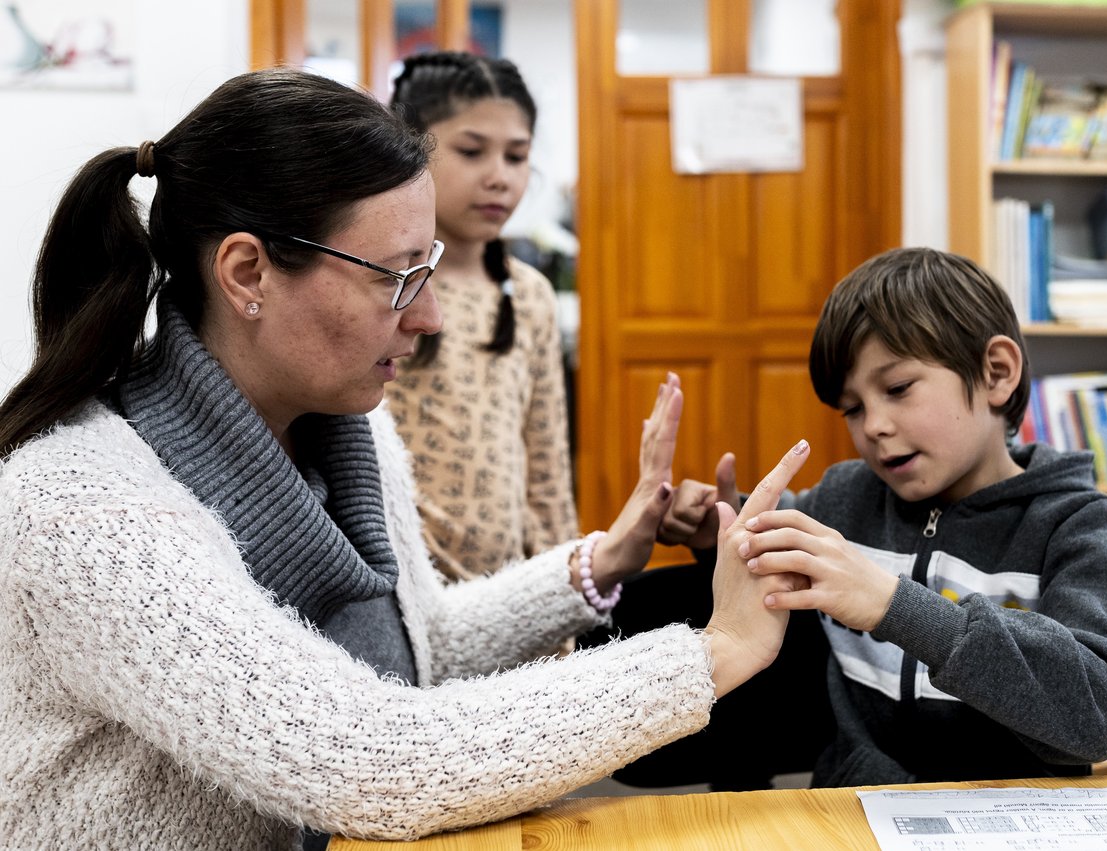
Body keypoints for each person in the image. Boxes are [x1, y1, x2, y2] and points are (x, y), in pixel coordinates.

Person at [0, 67, 810, 849]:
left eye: (428, 268)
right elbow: (371, 754)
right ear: (248, 272)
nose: (428, 317)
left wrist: (595, 563)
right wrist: (715, 650)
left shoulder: (351, 431)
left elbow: (420, 647)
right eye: (397, 276)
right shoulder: (84, 509)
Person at [662, 247, 1107, 786]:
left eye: (897, 389)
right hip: (850, 813)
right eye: (853, 408)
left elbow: (1100, 715)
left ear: (996, 372)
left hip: (1008, 821)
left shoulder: (1079, 526)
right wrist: (726, 532)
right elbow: (784, 544)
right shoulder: (848, 497)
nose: (873, 425)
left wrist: (894, 606)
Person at [383, 51, 576, 581]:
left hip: (513, 600)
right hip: (400, 590)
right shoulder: (380, 281)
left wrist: (565, 588)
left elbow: (547, 466)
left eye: (516, 157)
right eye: (472, 151)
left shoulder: (529, 294)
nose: (499, 177)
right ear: (410, 148)